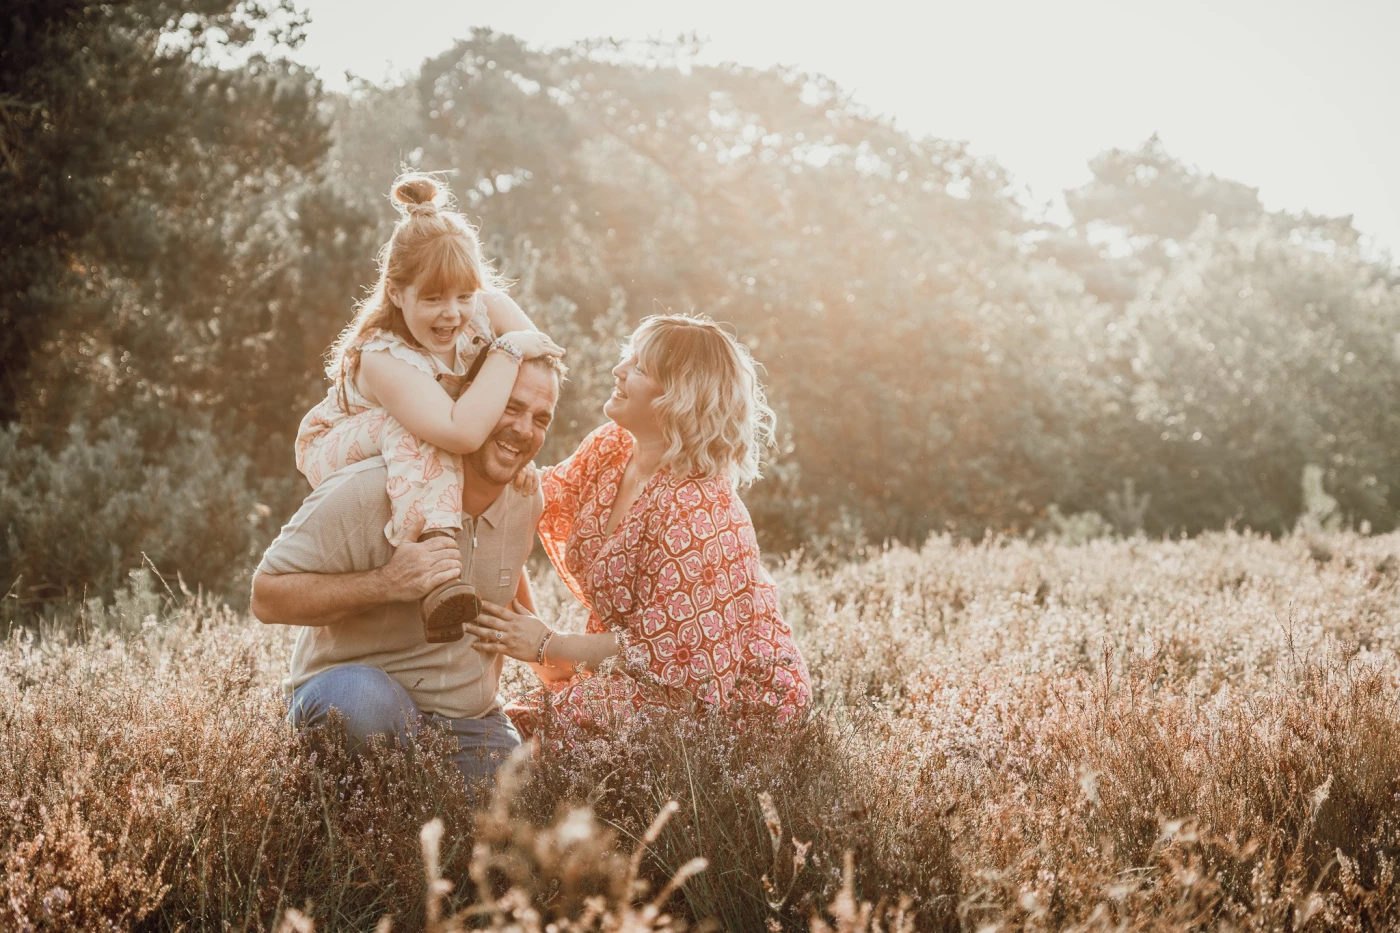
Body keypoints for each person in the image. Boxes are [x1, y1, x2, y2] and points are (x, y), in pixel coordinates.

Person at [465, 314, 812, 738]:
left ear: (680, 396)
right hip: (638, 678)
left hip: (724, 701)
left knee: (547, 732)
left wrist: (546, 645)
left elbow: (670, 656)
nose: (619, 370)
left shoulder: (698, 508)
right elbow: (537, 498)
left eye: (640, 367)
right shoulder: (613, 446)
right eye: (627, 358)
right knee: (519, 729)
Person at [251, 355, 563, 792]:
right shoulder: (368, 488)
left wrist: (548, 646)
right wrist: (388, 583)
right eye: (510, 408)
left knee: (515, 822)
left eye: (540, 418)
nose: (524, 429)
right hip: (361, 699)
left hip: (469, 726)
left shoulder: (525, 499)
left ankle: (421, 803)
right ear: (467, 401)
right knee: (361, 707)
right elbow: (265, 597)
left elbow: (507, 583)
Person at [295, 172, 562, 640]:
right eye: (433, 299)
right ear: (396, 293)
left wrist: (518, 446)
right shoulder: (382, 356)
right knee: (413, 431)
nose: (452, 315)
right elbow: (458, 432)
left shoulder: (486, 308)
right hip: (338, 444)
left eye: (463, 296)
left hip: (429, 442)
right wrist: (508, 350)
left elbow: (543, 366)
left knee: (445, 442)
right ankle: (439, 564)